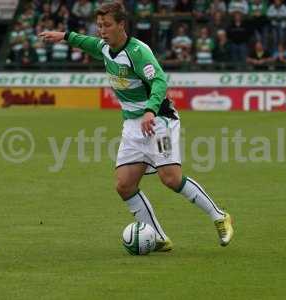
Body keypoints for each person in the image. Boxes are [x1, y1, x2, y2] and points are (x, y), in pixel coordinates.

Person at [39, 1, 234, 251]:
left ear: (122, 25)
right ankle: (160, 238)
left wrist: (151, 111)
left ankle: (219, 216)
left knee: (171, 178)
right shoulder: (105, 48)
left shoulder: (138, 52)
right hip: (133, 125)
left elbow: (160, 82)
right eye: (99, 25)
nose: (102, 30)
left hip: (159, 120)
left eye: (107, 25)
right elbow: (88, 43)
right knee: (124, 185)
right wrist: (64, 36)